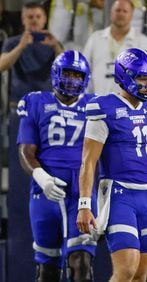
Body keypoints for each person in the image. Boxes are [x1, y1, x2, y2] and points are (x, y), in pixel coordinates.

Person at [76, 48, 147, 281]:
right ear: (124, 76)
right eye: (141, 78)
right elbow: (88, 161)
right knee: (125, 270)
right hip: (119, 195)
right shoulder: (104, 107)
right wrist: (84, 204)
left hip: (146, 197)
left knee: (141, 275)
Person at [17, 50, 96, 281]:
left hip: (82, 191)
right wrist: (42, 178)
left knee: (81, 262)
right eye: (67, 73)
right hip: (46, 190)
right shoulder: (35, 102)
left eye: (77, 75)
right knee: (48, 268)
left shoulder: (95, 106)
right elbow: (25, 151)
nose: (72, 80)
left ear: (86, 79)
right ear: (56, 74)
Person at [83, 0, 147, 95]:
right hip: (97, 103)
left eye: (125, 11)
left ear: (132, 15)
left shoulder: (143, 42)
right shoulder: (95, 39)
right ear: (111, 13)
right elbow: (84, 71)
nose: (121, 14)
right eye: (117, 10)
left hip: (130, 105)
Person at [0, 2, 64, 109]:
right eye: (30, 17)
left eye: (38, 17)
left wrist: (56, 46)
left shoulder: (53, 43)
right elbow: (2, 65)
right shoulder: (12, 42)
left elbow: (66, 69)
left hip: (47, 105)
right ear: (23, 20)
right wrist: (21, 46)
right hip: (19, 105)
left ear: (45, 19)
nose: (34, 20)